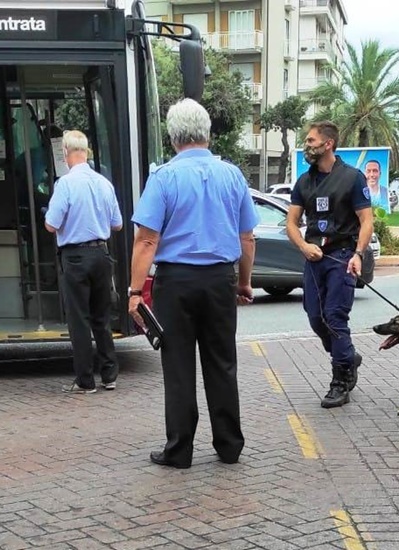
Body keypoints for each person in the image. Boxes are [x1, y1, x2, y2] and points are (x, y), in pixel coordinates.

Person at [127, 98, 258, 469]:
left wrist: (136, 292)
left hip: (176, 282)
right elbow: (247, 237)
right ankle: (229, 445)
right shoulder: (232, 175)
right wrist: (243, 282)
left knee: (179, 365)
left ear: (173, 138)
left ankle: (180, 449)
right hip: (219, 279)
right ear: (208, 133)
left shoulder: (164, 177)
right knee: (222, 362)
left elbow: (146, 240)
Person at [286, 121, 374, 409]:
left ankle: (340, 380)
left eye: (311, 140)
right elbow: (291, 222)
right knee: (315, 316)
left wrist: (358, 254)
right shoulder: (304, 182)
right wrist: (303, 246)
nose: (307, 145)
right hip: (314, 259)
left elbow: (366, 221)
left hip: (343, 257)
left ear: (328, 144)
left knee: (335, 317)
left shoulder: (352, 178)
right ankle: (347, 354)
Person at [44, 130, 122, 394]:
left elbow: (51, 225)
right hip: (101, 254)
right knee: (102, 317)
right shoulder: (104, 183)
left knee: (79, 319)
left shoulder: (65, 184)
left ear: (66, 154)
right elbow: (118, 224)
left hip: (75, 257)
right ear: (86, 152)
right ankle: (110, 375)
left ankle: (86, 381)